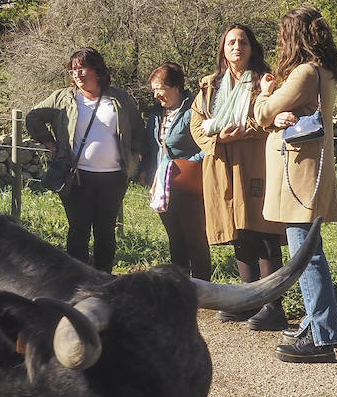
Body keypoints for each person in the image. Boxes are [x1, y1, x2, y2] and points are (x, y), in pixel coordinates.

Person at [254, 7, 337, 362]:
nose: (280, 40)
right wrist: (279, 116)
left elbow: (262, 112)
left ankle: (321, 337)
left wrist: (265, 94)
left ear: (296, 36)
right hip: (309, 175)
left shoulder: (305, 73)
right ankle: (315, 323)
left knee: (306, 256)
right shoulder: (324, 71)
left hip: (299, 180)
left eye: (284, 34)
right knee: (308, 252)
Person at [191, 25, 287, 331]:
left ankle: (274, 307)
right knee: (239, 233)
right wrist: (219, 141)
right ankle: (247, 302)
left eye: (242, 42)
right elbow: (196, 125)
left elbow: (273, 115)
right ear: (223, 49)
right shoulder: (210, 85)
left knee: (264, 232)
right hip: (221, 165)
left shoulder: (265, 81)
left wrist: (247, 131)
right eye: (231, 42)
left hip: (256, 163)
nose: (236, 47)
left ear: (252, 47)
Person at [26, 48, 144, 273]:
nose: (77, 75)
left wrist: (136, 155)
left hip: (113, 178)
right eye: (73, 71)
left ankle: (103, 280)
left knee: (105, 231)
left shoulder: (119, 98)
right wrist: (50, 144)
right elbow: (34, 116)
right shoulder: (62, 98)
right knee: (78, 229)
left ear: (97, 70)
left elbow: (138, 129)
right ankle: (77, 281)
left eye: (82, 69)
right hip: (76, 177)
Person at [147, 63, 211, 280]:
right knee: (175, 237)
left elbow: (208, 144)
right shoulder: (157, 113)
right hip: (164, 186)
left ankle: (203, 288)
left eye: (159, 88)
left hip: (189, 184)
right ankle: (181, 286)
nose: (156, 94)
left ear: (175, 86)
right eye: (154, 89)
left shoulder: (195, 107)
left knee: (195, 239)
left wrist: (187, 164)